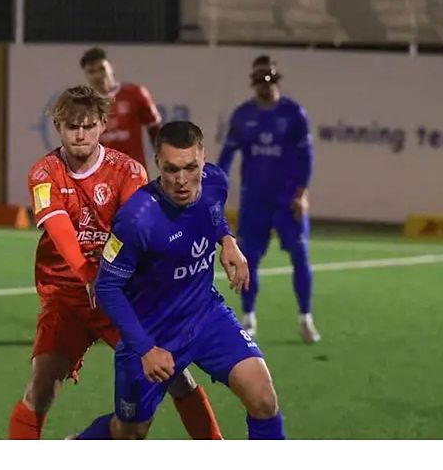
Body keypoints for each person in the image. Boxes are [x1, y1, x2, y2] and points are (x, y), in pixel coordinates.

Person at [8, 86, 222, 440]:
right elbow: (60, 228)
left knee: (175, 375)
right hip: (67, 297)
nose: (80, 134)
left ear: (103, 125)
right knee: (41, 386)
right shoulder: (44, 173)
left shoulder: (127, 171)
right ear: (59, 126)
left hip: (122, 295)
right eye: (72, 126)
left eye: (89, 125)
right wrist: (87, 272)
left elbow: (137, 226)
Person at [72, 121, 286, 440]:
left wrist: (227, 240)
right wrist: (145, 349)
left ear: (203, 159)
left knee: (263, 399)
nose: (182, 181)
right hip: (152, 332)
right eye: (171, 169)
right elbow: (106, 286)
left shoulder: (215, 182)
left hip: (205, 315)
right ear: (157, 162)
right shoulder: (137, 220)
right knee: (129, 431)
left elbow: (212, 214)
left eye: (191, 168)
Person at [216, 54, 319, 343]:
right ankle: (248, 316)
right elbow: (226, 157)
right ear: (252, 82)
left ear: (277, 79)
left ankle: (305, 317)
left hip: (287, 202)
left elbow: (306, 156)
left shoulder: (294, 114)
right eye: (259, 79)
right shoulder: (242, 116)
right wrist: (214, 189)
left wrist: (302, 193)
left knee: (300, 256)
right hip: (255, 202)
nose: (265, 84)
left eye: (269, 78)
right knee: (249, 259)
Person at [80, 46, 162, 168]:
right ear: (86, 75)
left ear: (111, 67)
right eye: (92, 71)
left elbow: (154, 129)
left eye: (102, 69)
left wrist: (162, 158)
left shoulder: (135, 94)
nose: (98, 75)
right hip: (101, 176)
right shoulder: (82, 104)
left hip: (134, 172)